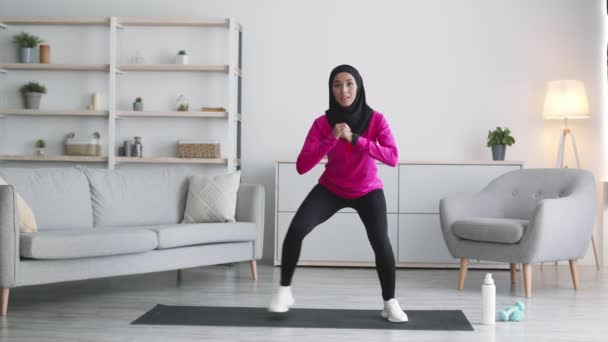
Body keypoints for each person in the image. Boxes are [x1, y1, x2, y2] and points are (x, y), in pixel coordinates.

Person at [268, 64, 408, 323]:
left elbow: (393, 158)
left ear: (359, 86)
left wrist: (356, 139)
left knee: (381, 241)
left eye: (349, 83)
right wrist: (332, 138)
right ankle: (284, 291)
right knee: (297, 229)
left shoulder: (376, 119)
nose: (343, 90)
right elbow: (302, 166)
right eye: (337, 84)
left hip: (367, 190)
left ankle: (390, 302)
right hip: (331, 188)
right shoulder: (322, 123)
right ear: (331, 89)